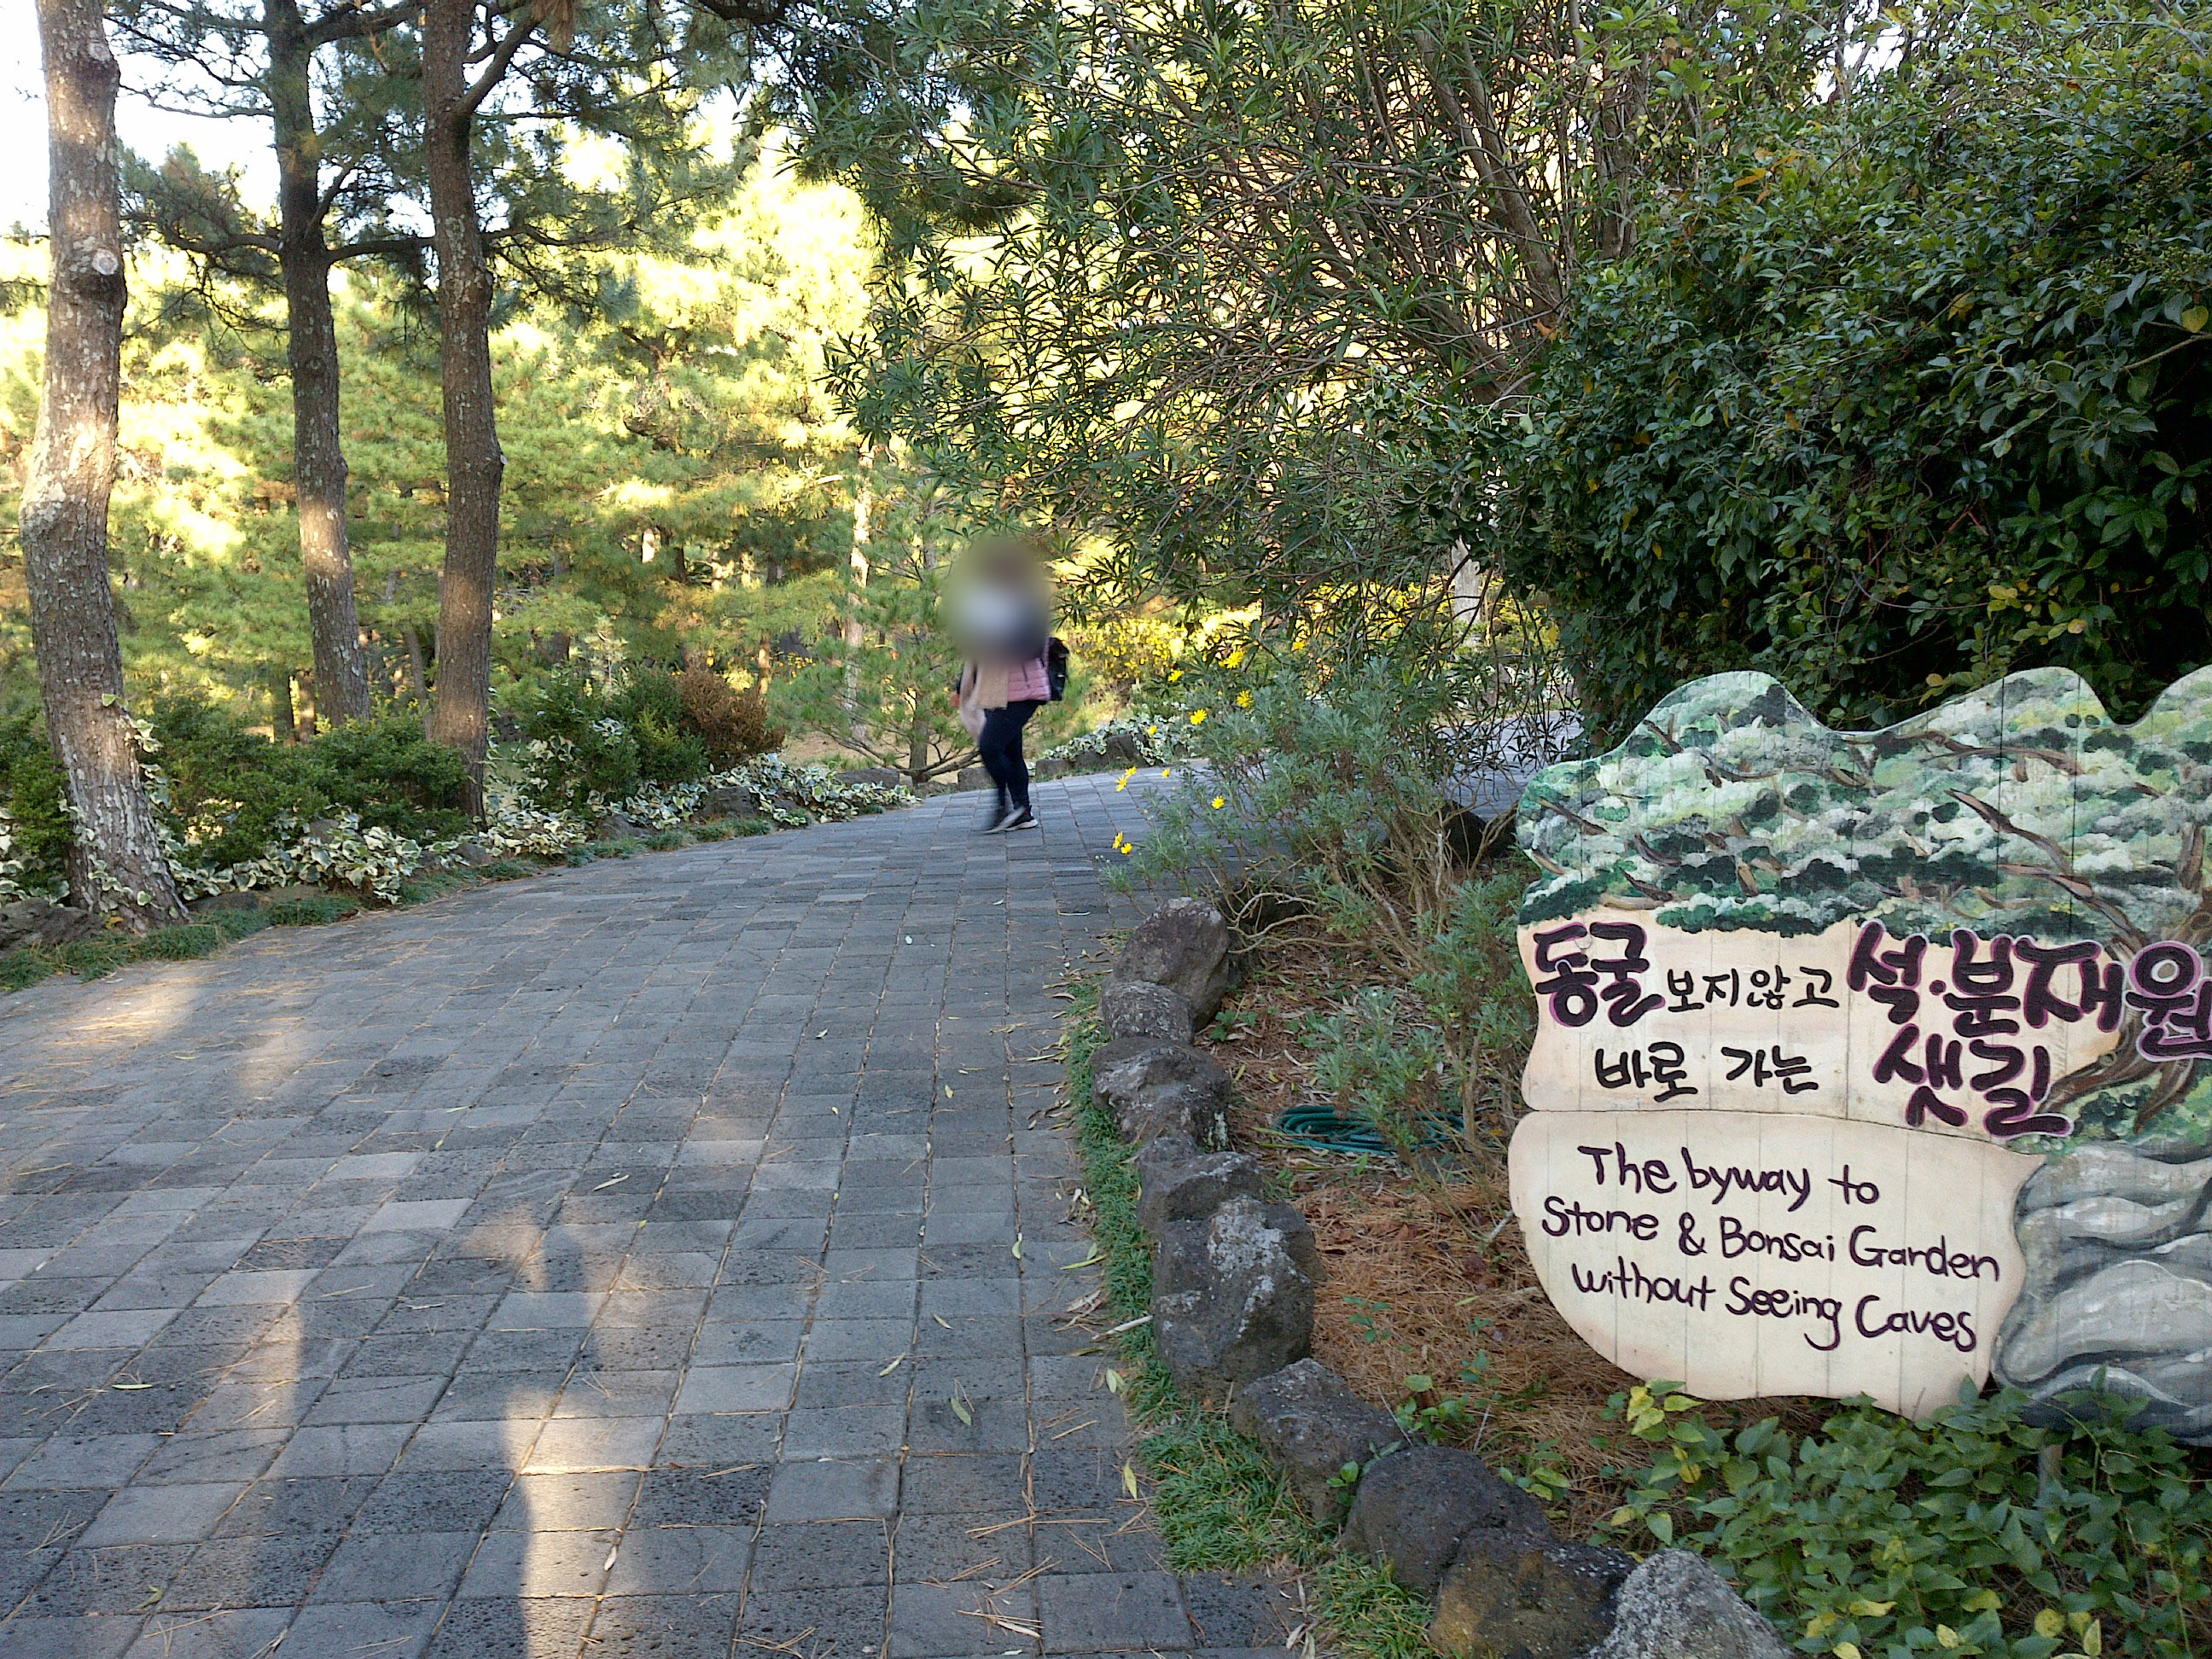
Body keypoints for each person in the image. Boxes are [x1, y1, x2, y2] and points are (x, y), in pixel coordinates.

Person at [951, 538, 1052, 834]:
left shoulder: (1027, 603)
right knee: (1010, 751)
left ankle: (1014, 807)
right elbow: (977, 649)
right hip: (994, 687)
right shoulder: (992, 601)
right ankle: (1015, 810)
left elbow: (1032, 647)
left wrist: (997, 641)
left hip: (1024, 688)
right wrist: (961, 686)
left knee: (991, 746)